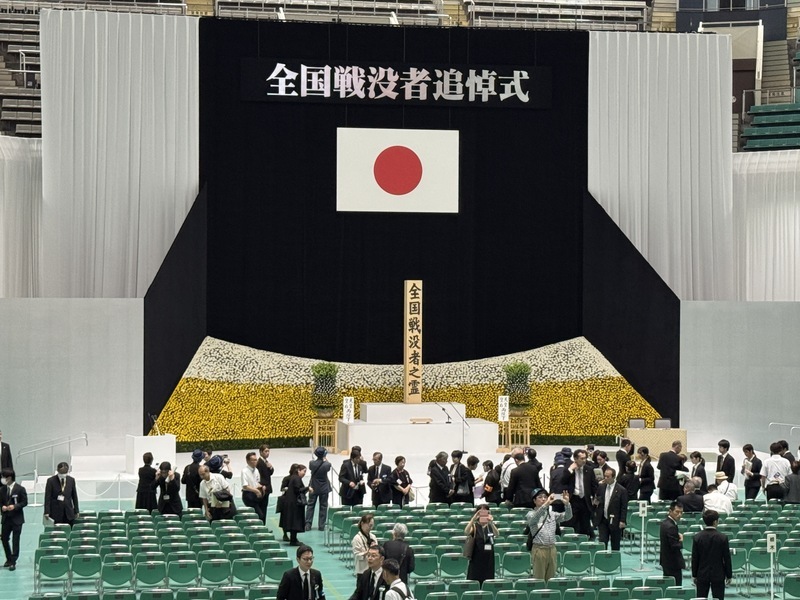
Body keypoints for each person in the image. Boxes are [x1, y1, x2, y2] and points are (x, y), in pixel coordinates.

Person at [526, 488, 572, 582]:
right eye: (540, 497)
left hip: (552, 549)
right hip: (539, 549)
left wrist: (567, 504)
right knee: (539, 579)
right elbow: (534, 519)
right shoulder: (531, 514)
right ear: (534, 501)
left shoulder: (552, 514)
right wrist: (546, 504)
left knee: (551, 579)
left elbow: (568, 516)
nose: (543, 499)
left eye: (545, 497)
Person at [692, 510, 732, 600]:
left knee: (701, 598)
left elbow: (695, 558)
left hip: (702, 574)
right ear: (715, 522)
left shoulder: (697, 537)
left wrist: (694, 574)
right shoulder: (723, 538)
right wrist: (729, 575)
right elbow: (727, 558)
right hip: (718, 574)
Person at [561, 449, 598, 539]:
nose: (584, 460)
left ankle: (585, 540)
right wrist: (570, 469)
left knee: (585, 523)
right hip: (574, 499)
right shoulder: (569, 469)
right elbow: (562, 481)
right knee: (573, 522)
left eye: (585, 458)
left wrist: (596, 497)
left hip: (585, 500)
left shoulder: (589, 470)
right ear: (575, 459)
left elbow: (593, 485)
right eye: (581, 458)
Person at [593, 468, 627, 551]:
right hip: (602, 519)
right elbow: (597, 499)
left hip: (615, 520)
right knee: (602, 542)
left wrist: (622, 520)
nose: (605, 478)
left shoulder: (621, 490)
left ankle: (614, 562)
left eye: (608, 476)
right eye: (605, 476)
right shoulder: (601, 487)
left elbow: (624, 507)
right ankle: (603, 561)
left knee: (615, 544)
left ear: (613, 477)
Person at [464, 503, 499, 584]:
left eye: (485, 512)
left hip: (489, 558)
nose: (483, 515)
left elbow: (497, 534)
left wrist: (491, 522)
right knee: (475, 581)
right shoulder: (475, 526)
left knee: (488, 581)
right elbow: (466, 532)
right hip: (476, 559)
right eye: (481, 512)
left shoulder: (490, 526)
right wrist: (473, 519)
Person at [0, 468, 26, 571]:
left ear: (9, 478)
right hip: (6, 519)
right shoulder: (2, 490)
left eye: (3, 477)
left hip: (17, 519)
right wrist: (2, 507)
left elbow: (24, 502)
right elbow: (0, 502)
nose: (2, 479)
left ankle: (13, 561)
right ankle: (8, 558)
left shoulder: (20, 489)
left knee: (16, 540)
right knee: (4, 538)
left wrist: (15, 507)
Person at [44, 462, 79, 526]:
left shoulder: (71, 480)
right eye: (61, 472)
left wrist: (76, 510)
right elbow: (47, 497)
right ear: (57, 470)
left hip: (68, 512)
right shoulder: (51, 481)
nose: (63, 474)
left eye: (65, 472)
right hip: (55, 512)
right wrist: (47, 512)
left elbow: (74, 496)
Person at [660, 501, 685, 585]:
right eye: (677, 512)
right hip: (672, 562)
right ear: (670, 511)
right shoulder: (670, 526)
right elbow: (675, 546)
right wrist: (681, 540)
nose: (679, 515)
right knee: (675, 586)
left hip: (666, 560)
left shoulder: (665, 523)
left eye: (681, 512)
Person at [284, 464, 310, 546]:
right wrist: (307, 488)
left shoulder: (293, 477)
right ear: (298, 470)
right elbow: (297, 490)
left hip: (292, 503)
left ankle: (293, 539)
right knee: (295, 522)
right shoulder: (296, 478)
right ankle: (293, 540)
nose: (304, 473)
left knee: (293, 522)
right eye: (304, 471)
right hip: (294, 504)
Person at [306, 447, 332, 531]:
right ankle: (321, 525)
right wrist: (325, 458)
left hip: (313, 487)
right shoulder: (327, 464)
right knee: (323, 506)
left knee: (310, 505)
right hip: (324, 488)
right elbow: (328, 465)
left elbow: (311, 468)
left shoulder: (311, 463)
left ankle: (308, 524)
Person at [242, 451, 267, 523]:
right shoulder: (244, 471)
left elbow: (257, 482)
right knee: (259, 515)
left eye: (256, 460)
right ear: (248, 461)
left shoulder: (256, 470)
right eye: (253, 460)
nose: (255, 462)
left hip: (256, 494)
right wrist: (256, 491)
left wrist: (261, 487)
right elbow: (245, 486)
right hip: (248, 495)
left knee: (262, 513)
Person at [279, 465, 300, 542]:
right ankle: (285, 534)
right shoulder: (287, 478)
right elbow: (282, 488)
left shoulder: (297, 478)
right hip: (286, 500)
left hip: (293, 500)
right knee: (284, 518)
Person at [256, 444, 275, 525]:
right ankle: (262, 525)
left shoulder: (266, 462)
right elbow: (259, 476)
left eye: (268, 451)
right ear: (261, 452)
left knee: (264, 508)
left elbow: (269, 473)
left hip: (266, 488)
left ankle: (264, 525)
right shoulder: (259, 463)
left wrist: (270, 467)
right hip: (262, 488)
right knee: (262, 508)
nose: (267, 453)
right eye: (265, 451)